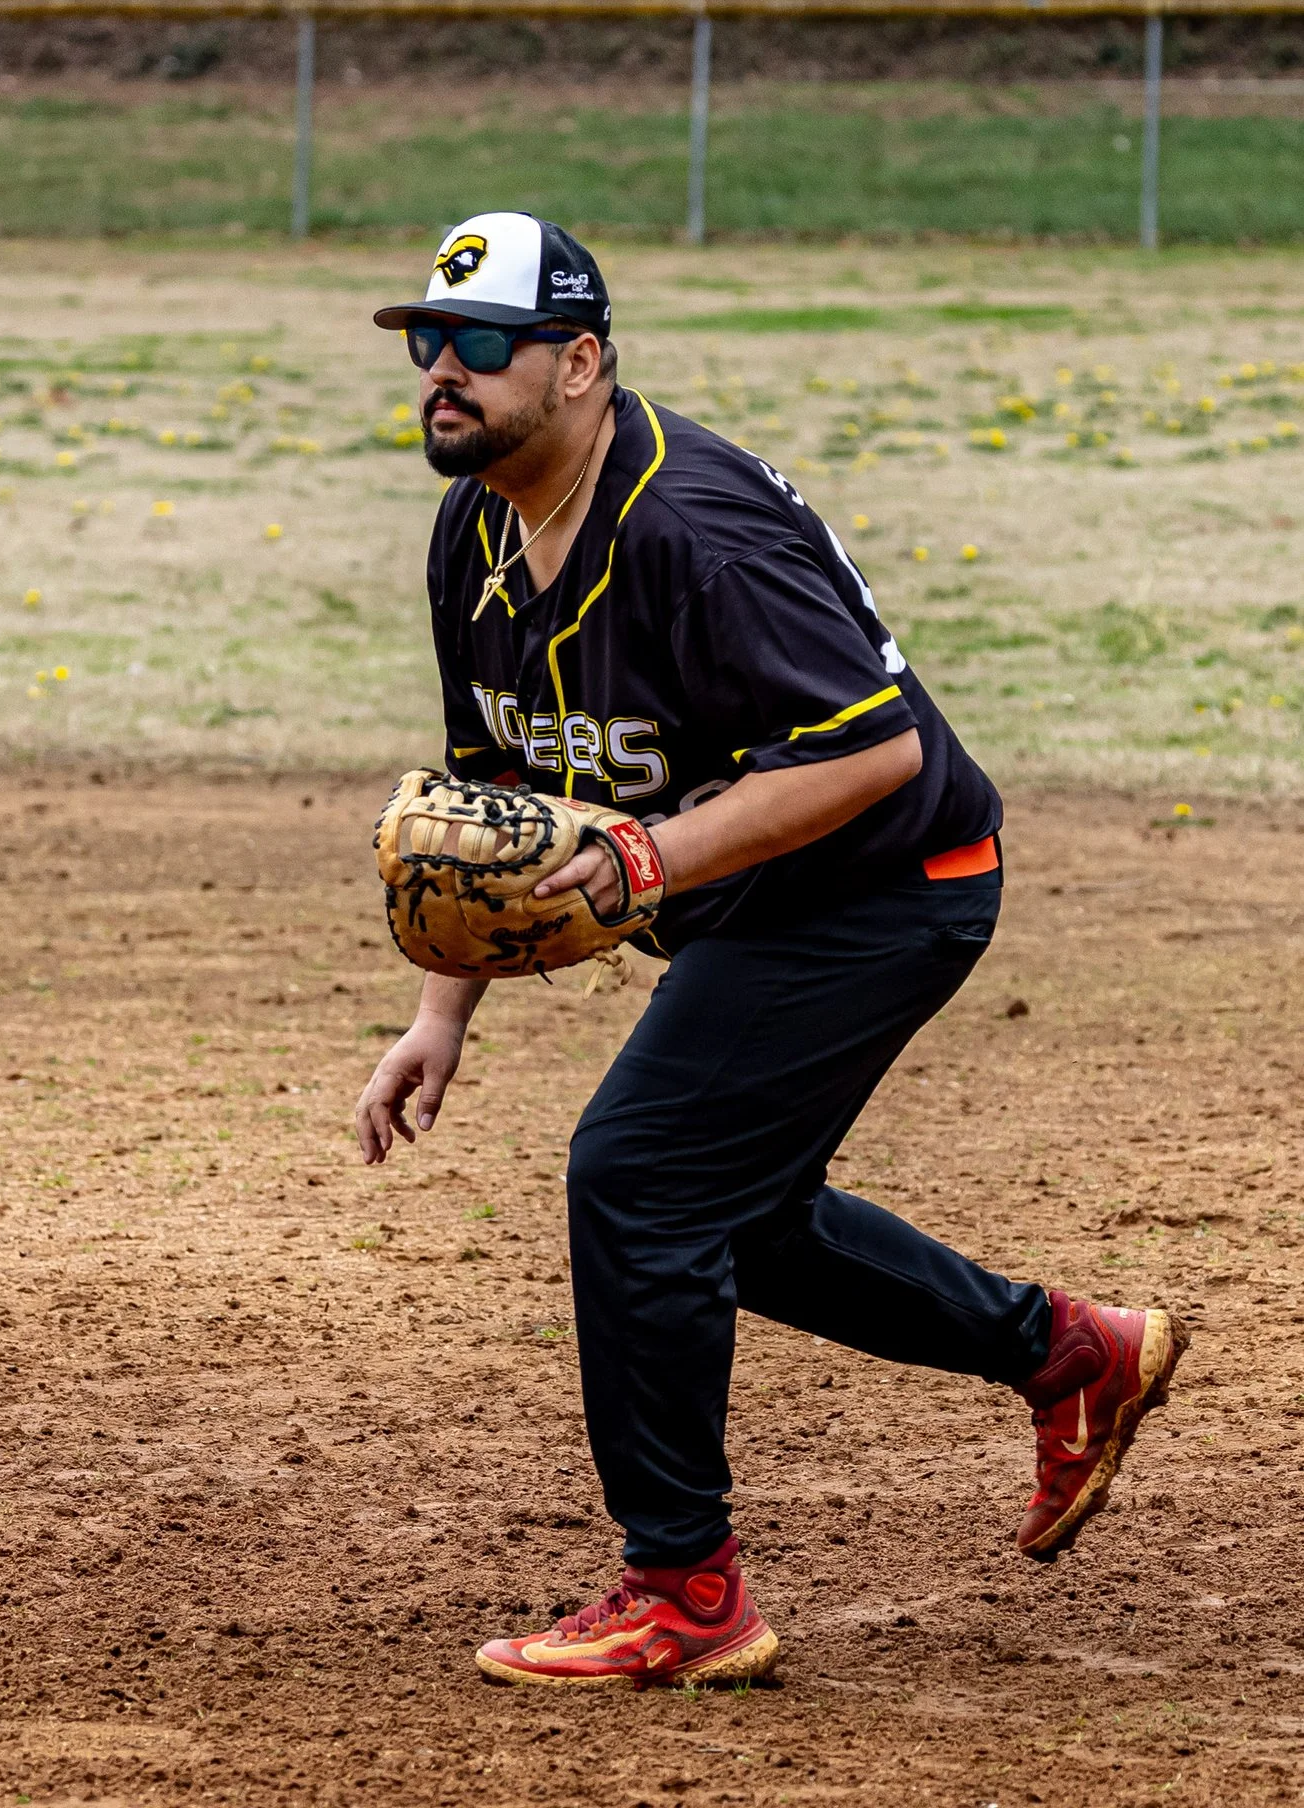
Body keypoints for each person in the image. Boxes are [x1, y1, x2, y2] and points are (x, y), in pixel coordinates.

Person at [351, 211, 1185, 1687]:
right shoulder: (477, 526)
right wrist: (445, 1015)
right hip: (760, 903)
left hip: (890, 884)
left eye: (484, 343)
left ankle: (684, 1593)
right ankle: (1069, 1353)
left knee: (638, 1177)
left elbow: (870, 754)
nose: (444, 371)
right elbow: (491, 787)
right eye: (428, 340)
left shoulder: (691, 528)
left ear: (585, 362)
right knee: (727, 1211)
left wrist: (648, 859)